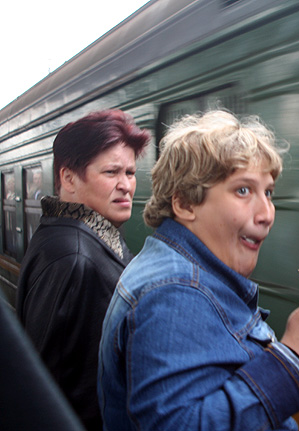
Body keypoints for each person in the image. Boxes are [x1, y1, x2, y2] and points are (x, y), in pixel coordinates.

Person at [98, 110, 299, 431]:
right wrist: (293, 355)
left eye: (268, 192)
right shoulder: (176, 291)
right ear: (185, 204)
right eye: (243, 190)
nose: (267, 214)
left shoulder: (178, 269)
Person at [16, 110, 150, 431]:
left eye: (130, 172)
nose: (126, 185)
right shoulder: (73, 257)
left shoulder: (81, 238)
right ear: (69, 179)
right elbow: (46, 389)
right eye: (111, 172)